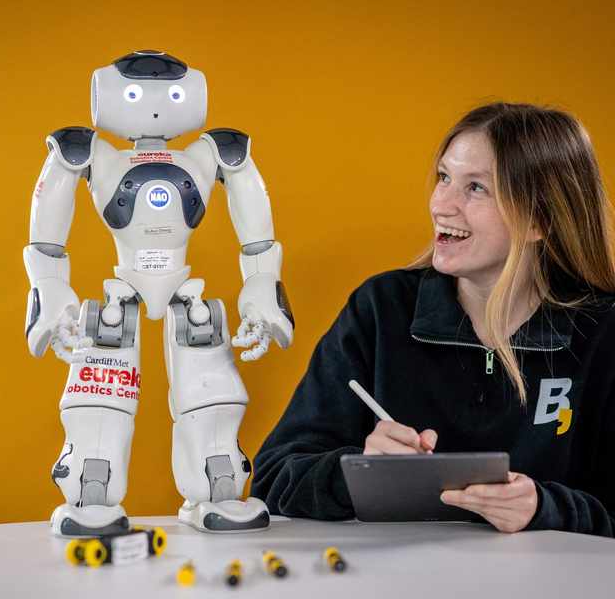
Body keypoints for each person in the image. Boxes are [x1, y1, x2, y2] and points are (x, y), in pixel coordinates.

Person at [250, 102, 615, 537]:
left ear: (540, 219)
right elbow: (273, 478)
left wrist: (545, 508)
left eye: (476, 188)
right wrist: (356, 472)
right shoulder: (381, 308)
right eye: (444, 178)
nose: (442, 204)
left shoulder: (604, 331)